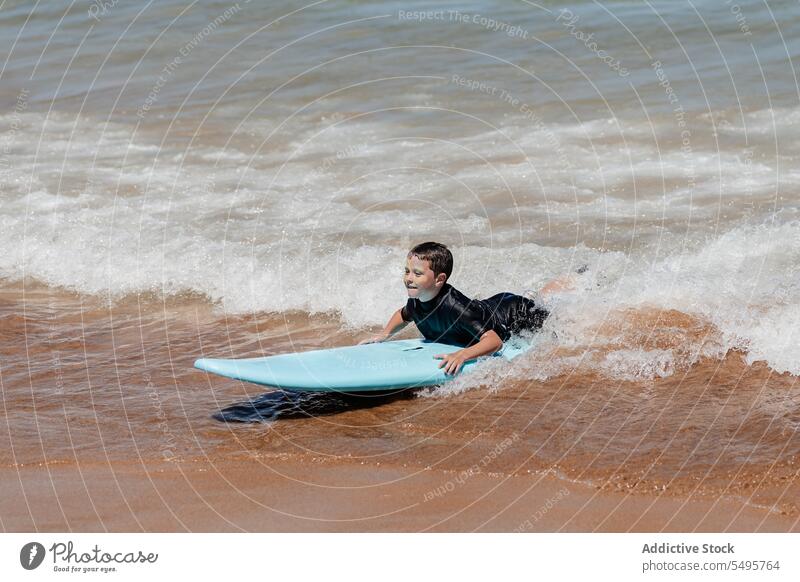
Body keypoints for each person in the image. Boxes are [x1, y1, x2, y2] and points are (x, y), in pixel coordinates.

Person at [359, 241, 573, 375]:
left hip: (515, 313)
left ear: (439, 280)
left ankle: (575, 279)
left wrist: (463, 355)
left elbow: (494, 342)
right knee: (543, 298)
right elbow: (402, 315)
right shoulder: (417, 301)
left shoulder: (456, 309)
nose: (408, 279)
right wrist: (385, 334)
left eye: (417, 273)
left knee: (554, 315)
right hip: (492, 306)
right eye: (406, 271)